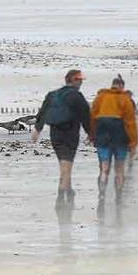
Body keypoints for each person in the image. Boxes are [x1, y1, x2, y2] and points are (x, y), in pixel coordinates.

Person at [31, 68, 92, 205]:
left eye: (81, 80)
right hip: (70, 135)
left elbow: (43, 112)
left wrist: (37, 129)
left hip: (55, 135)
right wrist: (91, 134)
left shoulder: (53, 94)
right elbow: (86, 117)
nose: (81, 82)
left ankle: (68, 189)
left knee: (64, 164)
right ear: (71, 80)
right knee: (66, 164)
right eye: (78, 79)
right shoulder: (77, 96)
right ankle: (61, 195)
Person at [89, 74, 138, 202]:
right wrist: (133, 143)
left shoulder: (100, 97)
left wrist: (93, 136)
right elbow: (130, 123)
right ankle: (119, 196)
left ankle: (102, 192)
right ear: (122, 86)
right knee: (119, 168)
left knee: (104, 166)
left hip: (102, 132)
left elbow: (92, 117)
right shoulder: (125, 99)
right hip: (119, 134)